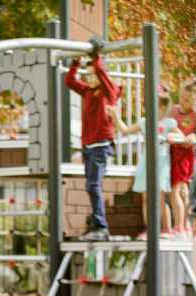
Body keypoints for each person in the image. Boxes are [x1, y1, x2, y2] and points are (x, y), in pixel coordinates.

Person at [106, 88, 182, 239]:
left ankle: (167, 229)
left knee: (160, 197)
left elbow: (180, 136)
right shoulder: (144, 122)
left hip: (161, 163)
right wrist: (115, 115)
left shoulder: (169, 123)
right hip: (146, 163)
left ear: (162, 107)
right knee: (146, 198)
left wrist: (172, 137)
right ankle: (149, 230)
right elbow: (125, 130)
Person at [64, 40, 121, 241]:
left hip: (101, 145)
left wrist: (96, 56)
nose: (88, 78)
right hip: (89, 146)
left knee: (93, 185)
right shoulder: (87, 91)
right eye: (87, 75)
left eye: (92, 74)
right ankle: (98, 225)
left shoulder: (109, 91)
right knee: (90, 185)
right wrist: (75, 63)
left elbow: (104, 75)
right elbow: (69, 82)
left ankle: (101, 226)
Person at [169, 78, 196, 239]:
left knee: (176, 191)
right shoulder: (174, 111)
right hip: (172, 155)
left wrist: (192, 135)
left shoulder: (194, 115)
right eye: (181, 98)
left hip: (184, 157)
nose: (183, 102)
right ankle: (185, 225)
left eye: (187, 99)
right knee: (184, 191)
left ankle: (179, 226)